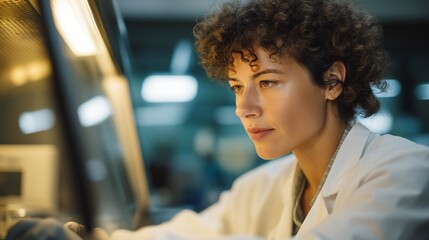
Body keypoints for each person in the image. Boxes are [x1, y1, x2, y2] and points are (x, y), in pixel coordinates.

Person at [6, 0, 429, 239]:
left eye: (267, 82)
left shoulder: (404, 172)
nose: (244, 107)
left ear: (333, 80)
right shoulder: (267, 184)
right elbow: (194, 232)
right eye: (235, 86)